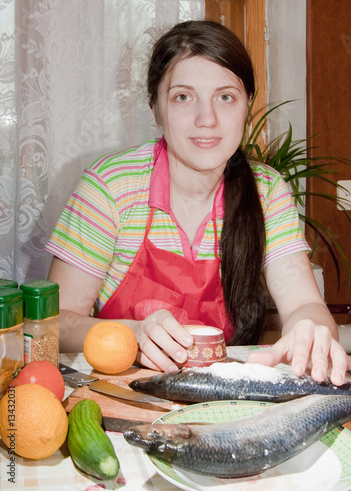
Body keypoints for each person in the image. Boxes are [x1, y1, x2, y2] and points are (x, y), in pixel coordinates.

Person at [46, 20, 350, 385]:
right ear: (156, 107)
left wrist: (312, 330)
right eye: (183, 97)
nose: (207, 120)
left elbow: (304, 304)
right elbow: (56, 322)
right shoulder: (112, 185)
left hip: (227, 397)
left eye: (225, 97)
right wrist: (131, 335)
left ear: (247, 106)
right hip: (121, 389)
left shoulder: (267, 191)